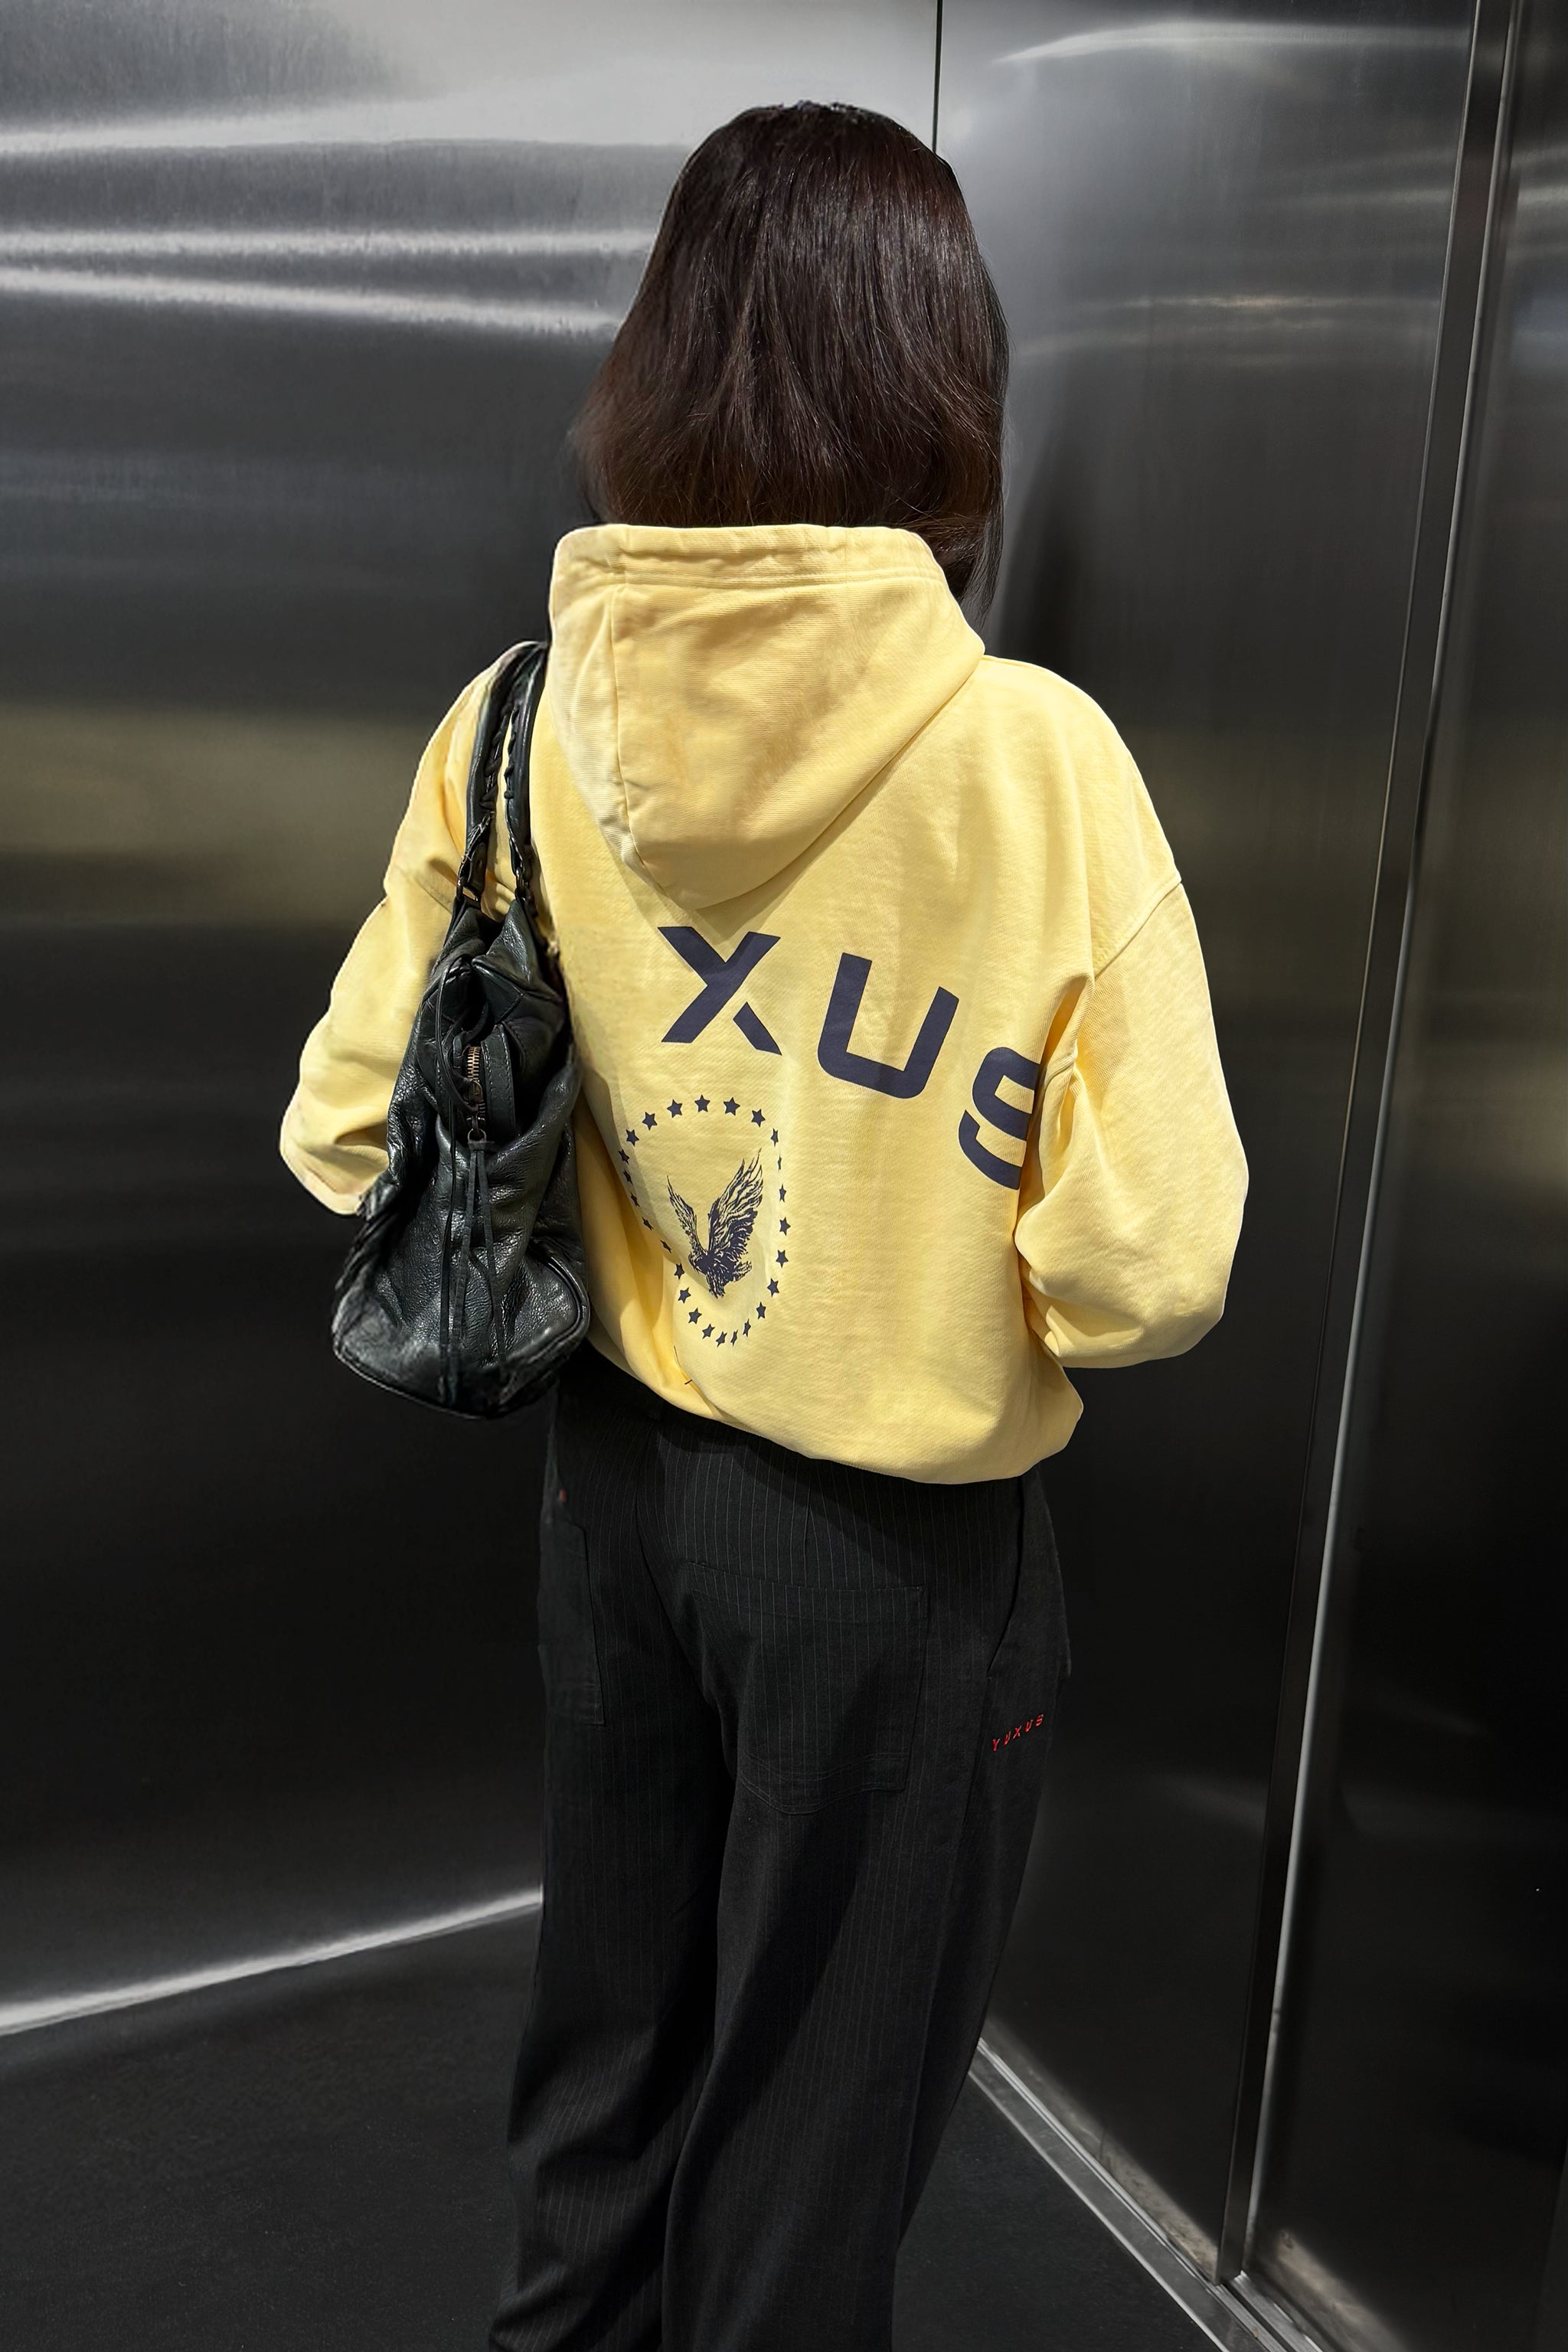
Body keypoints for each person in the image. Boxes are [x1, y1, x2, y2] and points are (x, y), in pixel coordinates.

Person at [280, 100, 1246, 2352]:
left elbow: (344, 1135)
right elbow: (1150, 1269)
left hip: (611, 1502)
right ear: (942, 368)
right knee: (813, 2137)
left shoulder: (518, 721)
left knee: (604, 2057)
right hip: (893, 1568)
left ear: (661, 358)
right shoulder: (1038, 764)